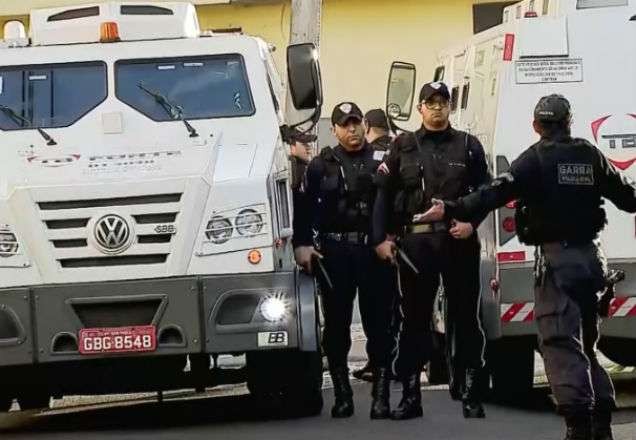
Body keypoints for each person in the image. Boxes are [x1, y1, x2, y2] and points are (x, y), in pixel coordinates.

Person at [416, 94, 636, 440]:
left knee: (562, 344)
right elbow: (628, 197)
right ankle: (602, 424)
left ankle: (578, 427)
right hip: (593, 262)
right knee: (587, 344)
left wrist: (450, 207)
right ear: (569, 123)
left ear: (536, 126)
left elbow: (491, 194)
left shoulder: (535, 160)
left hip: (556, 264)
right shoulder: (589, 154)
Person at [373, 81, 491, 420]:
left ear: (450, 107)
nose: (437, 108)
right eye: (430, 102)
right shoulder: (403, 146)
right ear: (420, 108)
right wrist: (380, 239)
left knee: (467, 319)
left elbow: (486, 192)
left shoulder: (468, 145)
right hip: (416, 245)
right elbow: (382, 194)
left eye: (443, 102)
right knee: (414, 321)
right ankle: (411, 395)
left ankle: (471, 393)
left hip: (458, 241)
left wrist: (473, 223)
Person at [294, 102, 396, 419]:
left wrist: (391, 237)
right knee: (336, 326)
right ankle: (342, 394)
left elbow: (395, 202)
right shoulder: (320, 165)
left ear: (364, 125)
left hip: (372, 251)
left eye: (356, 123)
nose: (351, 130)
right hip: (335, 254)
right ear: (335, 129)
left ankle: (381, 397)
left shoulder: (382, 161)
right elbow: (304, 209)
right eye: (345, 124)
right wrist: (302, 245)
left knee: (379, 324)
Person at [352, 108, 396, 383]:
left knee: (375, 306)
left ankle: (380, 360)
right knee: (400, 305)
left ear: (367, 125)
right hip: (404, 239)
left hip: (374, 240)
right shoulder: (403, 149)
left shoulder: (369, 157)